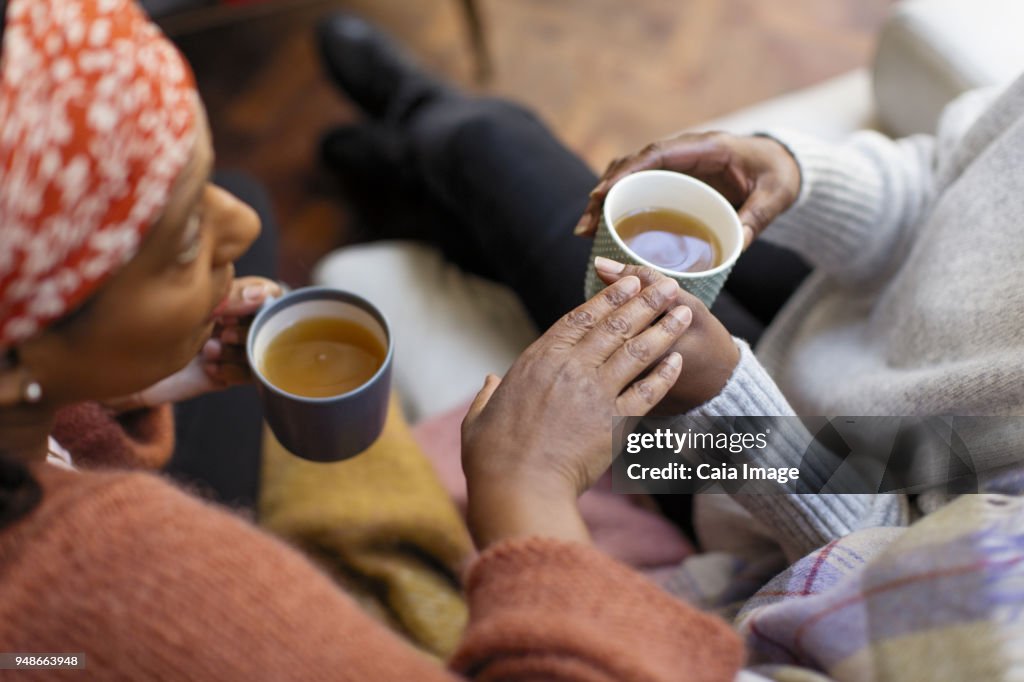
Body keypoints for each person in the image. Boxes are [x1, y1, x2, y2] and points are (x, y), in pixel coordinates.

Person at [0, 1, 746, 679]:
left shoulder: (127, 584)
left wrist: (536, 488)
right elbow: (861, 477)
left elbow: (865, 489)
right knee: (491, 149)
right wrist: (742, 385)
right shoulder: (127, 591)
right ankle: (413, 147)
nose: (241, 226)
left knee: (484, 159)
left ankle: (407, 151)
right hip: (779, 468)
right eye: (188, 230)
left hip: (755, 501)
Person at [312, 14, 1024, 680]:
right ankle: (415, 165)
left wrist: (729, 402)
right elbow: (940, 180)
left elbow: (882, 556)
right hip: (838, 311)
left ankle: (412, 148)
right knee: (495, 165)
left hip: (767, 489)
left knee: (490, 147)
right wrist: (800, 176)